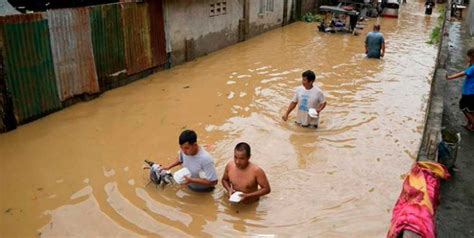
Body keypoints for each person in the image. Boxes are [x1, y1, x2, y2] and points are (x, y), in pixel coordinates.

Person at [446, 48, 474, 132]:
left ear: (472, 57)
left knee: (464, 108)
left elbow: (462, 74)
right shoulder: (471, 67)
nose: (467, 59)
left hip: (469, 92)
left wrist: (448, 77)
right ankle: (470, 125)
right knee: (471, 110)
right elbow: (467, 69)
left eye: (468, 57)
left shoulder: (472, 68)